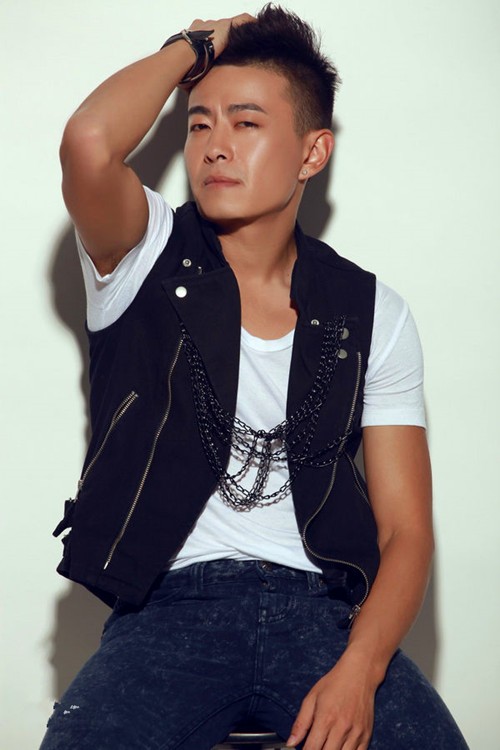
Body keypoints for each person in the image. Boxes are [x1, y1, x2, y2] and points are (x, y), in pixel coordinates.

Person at [41, 6, 469, 749]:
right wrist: (194, 47)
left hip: (327, 616)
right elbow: (90, 143)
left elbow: (405, 532)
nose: (215, 146)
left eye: (245, 123)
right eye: (199, 124)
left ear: (312, 152)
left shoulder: (372, 311)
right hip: (169, 611)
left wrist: (360, 668)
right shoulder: (142, 256)